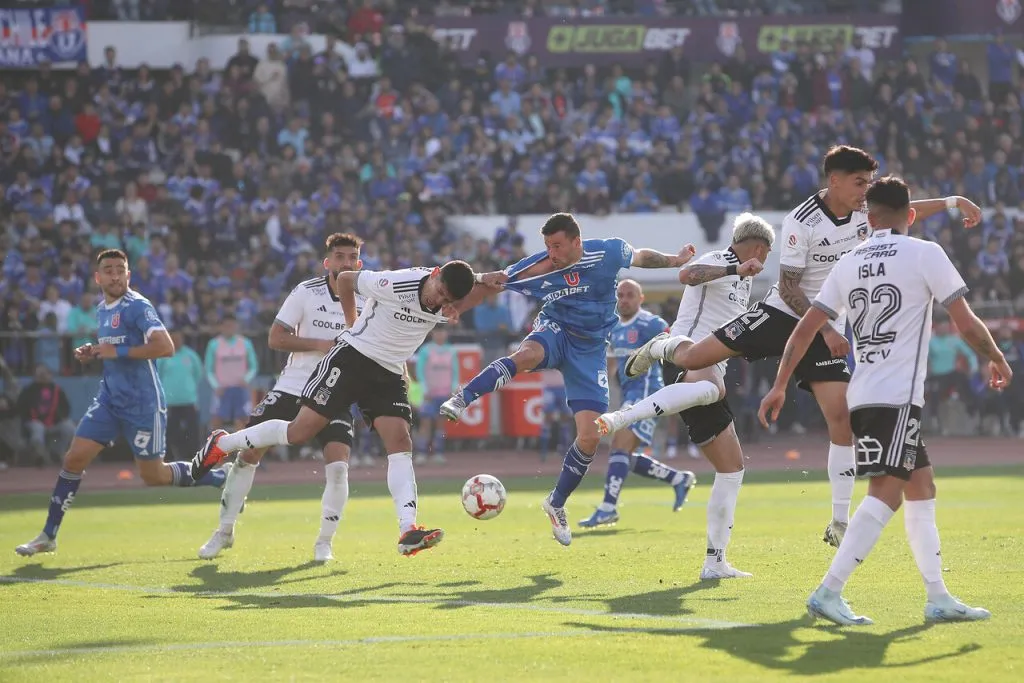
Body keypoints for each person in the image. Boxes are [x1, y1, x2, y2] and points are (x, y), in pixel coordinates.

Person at [621, 146, 982, 549]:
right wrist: (826, 327)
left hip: (826, 326)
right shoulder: (802, 220)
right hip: (781, 315)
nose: (866, 191)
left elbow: (905, 209)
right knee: (693, 357)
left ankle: (838, 521)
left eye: (868, 184)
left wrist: (953, 202)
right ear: (834, 181)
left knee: (840, 418)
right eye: (860, 182)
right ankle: (658, 347)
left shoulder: (867, 212)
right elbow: (790, 287)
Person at [758, 176, 1009, 625]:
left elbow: (804, 329)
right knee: (886, 493)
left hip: (865, 393)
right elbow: (966, 322)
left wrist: (778, 384)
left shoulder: (850, 261)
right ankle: (828, 591)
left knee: (921, 486)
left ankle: (938, 596)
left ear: (867, 218)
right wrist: (997, 357)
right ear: (910, 214)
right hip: (895, 397)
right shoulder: (925, 253)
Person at [440, 212, 695, 546]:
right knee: (526, 356)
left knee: (590, 437)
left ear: (577, 241)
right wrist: (458, 306)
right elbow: (493, 283)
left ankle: (556, 503)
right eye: (547, 246)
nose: (552, 253)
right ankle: (464, 397)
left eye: (557, 245)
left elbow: (641, 256)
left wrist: (674, 260)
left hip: (589, 351)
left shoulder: (607, 252)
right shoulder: (540, 265)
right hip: (555, 329)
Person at [190, 260, 477, 556]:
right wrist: (352, 323)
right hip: (352, 359)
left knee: (400, 440)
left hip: (388, 372)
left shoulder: (445, 294)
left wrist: (492, 279)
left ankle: (408, 529)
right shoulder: (396, 282)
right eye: (440, 292)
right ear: (434, 275)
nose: (439, 301)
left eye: (447, 300)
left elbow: (474, 288)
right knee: (300, 432)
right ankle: (223, 443)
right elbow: (347, 280)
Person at [595, 214, 774, 579]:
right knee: (714, 388)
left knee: (732, 469)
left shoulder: (744, 280)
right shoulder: (722, 259)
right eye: (766, 254)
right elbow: (686, 275)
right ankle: (624, 414)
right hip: (686, 354)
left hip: (702, 375)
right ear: (759, 248)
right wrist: (735, 268)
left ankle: (715, 562)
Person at [15, 249, 226, 558]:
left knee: (153, 476)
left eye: (120, 270)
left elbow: (165, 347)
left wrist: (118, 352)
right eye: (108, 269)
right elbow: (115, 347)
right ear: (97, 277)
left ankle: (217, 476)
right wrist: (95, 351)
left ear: (129, 275)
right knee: (74, 459)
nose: (114, 275)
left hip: (143, 403)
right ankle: (49, 535)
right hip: (109, 400)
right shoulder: (102, 309)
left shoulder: (137, 306)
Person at [196, 232, 365, 562]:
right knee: (249, 454)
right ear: (327, 262)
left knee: (339, 468)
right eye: (340, 256)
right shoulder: (305, 292)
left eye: (352, 257)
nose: (346, 262)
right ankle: (224, 530)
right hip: (292, 386)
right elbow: (276, 338)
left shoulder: (367, 298)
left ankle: (324, 543)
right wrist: (320, 345)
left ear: (359, 263)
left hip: (336, 391)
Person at [578, 279, 696, 529]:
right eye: (620, 295)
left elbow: (676, 339)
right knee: (623, 456)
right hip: (629, 394)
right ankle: (678, 479)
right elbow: (611, 364)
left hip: (647, 393)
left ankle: (608, 508)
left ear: (641, 298)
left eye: (630, 295)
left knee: (619, 447)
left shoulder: (650, 323)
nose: (624, 299)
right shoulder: (614, 327)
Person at [204, 314, 259, 431]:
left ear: (236, 326)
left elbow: (253, 366)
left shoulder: (246, 343)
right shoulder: (213, 344)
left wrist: (246, 379)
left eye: (232, 325)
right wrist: (216, 386)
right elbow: (208, 370)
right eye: (226, 325)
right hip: (221, 389)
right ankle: (215, 447)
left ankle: (241, 447)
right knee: (217, 419)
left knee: (243, 418)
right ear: (221, 327)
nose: (229, 328)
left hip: (240, 387)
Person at [157, 330, 204, 462]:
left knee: (192, 430)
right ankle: (169, 457)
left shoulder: (191, 355)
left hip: (188, 399)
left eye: (179, 338)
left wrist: (189, 388)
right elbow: (158, 375)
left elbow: (198, 374)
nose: (177, 341)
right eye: (174, 338)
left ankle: (194, 457)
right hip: (170, 401)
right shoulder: (163, 355)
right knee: (170, 431)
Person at [413, 327, 458, 465]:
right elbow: (420, 371)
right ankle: (422, 452)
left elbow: (455, 371)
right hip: (429, 394)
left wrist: (454, 389)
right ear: (432, 333)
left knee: (440, 423)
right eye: (438, 332)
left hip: (444, 392)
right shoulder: (426, 350)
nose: (440, 335)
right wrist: (425, 390)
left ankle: (438, 452)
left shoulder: (451, 351)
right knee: (425, 423)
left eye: (443, 332)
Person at [17, 364, 75, 466]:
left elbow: (66, 408)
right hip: (34, 421)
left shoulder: (57, 390)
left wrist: (59, 418)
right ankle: (40, 456)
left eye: (45, 374)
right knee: (37, 428)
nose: (43, 376)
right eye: (40, 374)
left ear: (50, 375)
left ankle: (57, 452)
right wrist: (31, 418)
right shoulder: (28, 390)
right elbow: (21, 407)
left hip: (54, 422)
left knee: (69, 427)